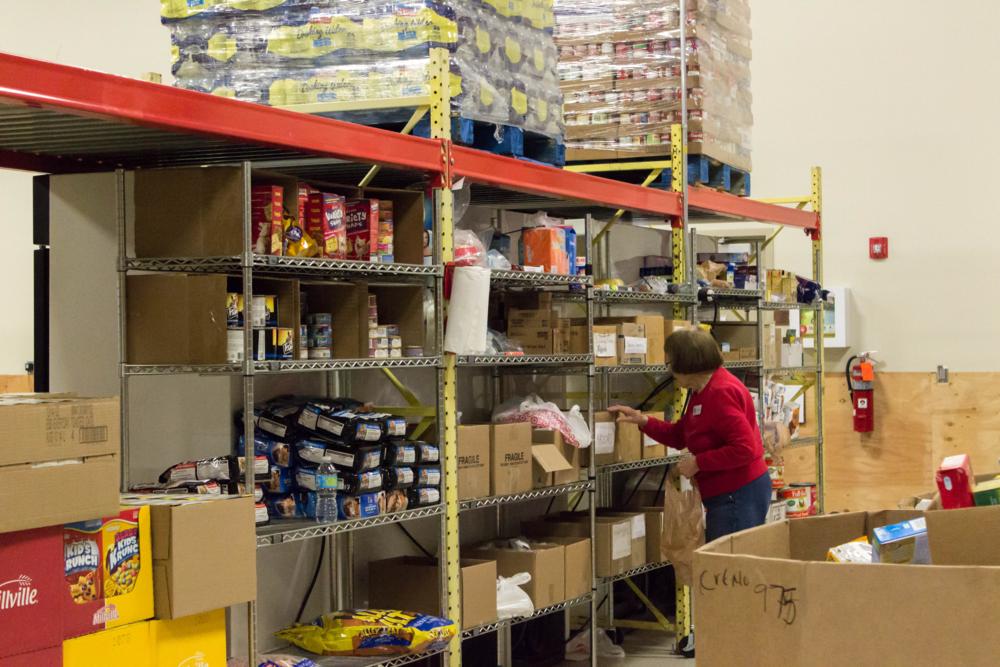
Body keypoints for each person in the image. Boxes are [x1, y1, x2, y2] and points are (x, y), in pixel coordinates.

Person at [609, 328, 770, 543]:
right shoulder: (701, 391)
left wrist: (698, 463)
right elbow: (681, 435)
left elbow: (745, 449)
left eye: (670, 363)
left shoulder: (720, 393)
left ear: (687, 364)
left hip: (738, 494)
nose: (669, 371)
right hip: (727, 494)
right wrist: (644, 421)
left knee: (726, 561)